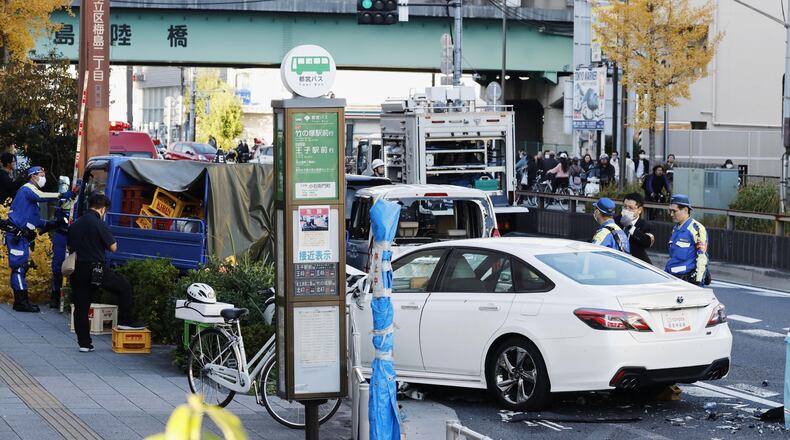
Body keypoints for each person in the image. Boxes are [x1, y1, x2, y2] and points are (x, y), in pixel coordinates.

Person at [68, 194, 144, 352]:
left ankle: (84, 344)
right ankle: (125, 321)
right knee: (123, 286)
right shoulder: (98, 223)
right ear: (102, 209)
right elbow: (113, 247)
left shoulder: (76, 224)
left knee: (81, 307)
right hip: (95, 268)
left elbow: (70, 246)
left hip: (77, 268)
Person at [5, 166, 72, 312]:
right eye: (41, 174)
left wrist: (51, 224)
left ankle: (20, 302)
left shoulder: (29, 197)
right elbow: (41, 196)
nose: (43, 177)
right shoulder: (27, 189)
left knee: (20, 267)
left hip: (20, 236)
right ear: (33, 176)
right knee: (18, 268)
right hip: (17, 236)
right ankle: (21, 303)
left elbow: (33, 220)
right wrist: (62, 195)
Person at [665, 194, 710, 286]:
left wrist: (698, 281)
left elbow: (702, 256)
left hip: (687, 281)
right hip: (671, 277)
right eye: (670, 211)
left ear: (685, 210)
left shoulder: (697, 228)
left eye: (674, 211)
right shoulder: (675, 228)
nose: (671, 214)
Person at [614, 193, 654, 264]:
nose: (626, 210)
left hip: (636, 264)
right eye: (625, 207)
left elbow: (647, 242)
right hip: (617, 261)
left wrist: (630, 227)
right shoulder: (616, 221)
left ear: (640, 210)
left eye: (630, 208)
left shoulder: (645, 225)